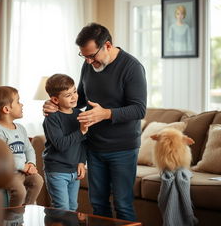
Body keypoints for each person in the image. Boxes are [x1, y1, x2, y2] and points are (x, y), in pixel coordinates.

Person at [43, 23, 147, 221]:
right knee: (98, 204)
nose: (89, 61)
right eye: (84, 56)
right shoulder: (89, 64)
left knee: (123, 205)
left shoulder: (132, 68)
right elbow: (80, 99)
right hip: (94, 146)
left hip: (122, 149)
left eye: (92, 55)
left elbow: (139, 109)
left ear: (107, 45)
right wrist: (54, 105)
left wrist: (106, 113)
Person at [0, 86, 43, 207]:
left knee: (37, 180)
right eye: (18, 101)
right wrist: (23, 166)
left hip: (21, 171)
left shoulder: (20, 129)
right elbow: (2, 156)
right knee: (20, 191)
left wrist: (31, 164)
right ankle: (13, 214)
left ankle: (26, 208)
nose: (22, 104)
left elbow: (29, 149)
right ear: (6, 109)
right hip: (5, 173)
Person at [43, 74, 88, 211]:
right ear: (55, 99)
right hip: (57, 171)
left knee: (73, 207)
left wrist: (81, 161)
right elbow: (61, 144)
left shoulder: (79, 114)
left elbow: (83, 143)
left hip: (74, 170)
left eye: (74, 91)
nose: (74, 97)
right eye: (68, 95)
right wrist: (81, 131)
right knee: (62, 208)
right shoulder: (51, 119)